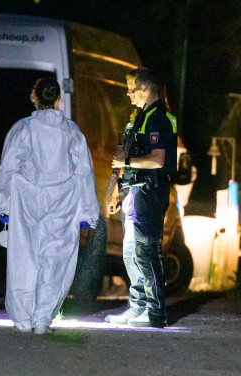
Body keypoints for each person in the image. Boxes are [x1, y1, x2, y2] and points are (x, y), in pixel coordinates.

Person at [0, 77, 99, 335]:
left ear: (33, 96)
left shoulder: (22, 129)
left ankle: (23, 318)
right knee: (56, 258)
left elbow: (7, 168)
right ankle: (42, 318)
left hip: (26, 199)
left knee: (24, 257)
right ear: (59, 99)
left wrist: (1, 203)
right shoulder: (72, 132)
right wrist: (88, 211)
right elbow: (84, 172)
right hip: (63, 201)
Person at [104, 67, 177, 328]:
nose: (128, 93)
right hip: (134, 192)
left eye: (132, 88)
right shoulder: (137, 118)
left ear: (145, 89)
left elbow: (158, 160)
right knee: (130, 252)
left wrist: (125, 160)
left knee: (146, 251)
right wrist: (116, 190)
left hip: (150, 191)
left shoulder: (159, 118)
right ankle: (138, 308)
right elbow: (121, 152)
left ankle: (155, 313)